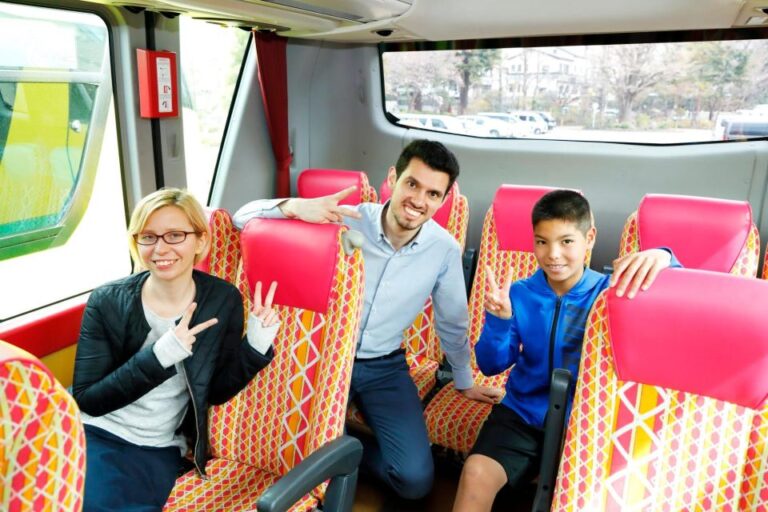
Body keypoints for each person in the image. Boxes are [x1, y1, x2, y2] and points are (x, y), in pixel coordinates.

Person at [233, 139, 503, 500]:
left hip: (384, 366)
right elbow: (241, 219)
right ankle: (328, 446)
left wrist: (463, 380)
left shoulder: (444, 249)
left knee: (414, 481)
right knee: (279, 454)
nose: (419, 200)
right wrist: (297, 207)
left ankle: (346, 451)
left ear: (443, 199)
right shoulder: (342, 219)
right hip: (321, 358)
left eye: (433, 193)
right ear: (393, 178)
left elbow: (452, 322)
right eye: (412, 184)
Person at [452, 189, 680, 512]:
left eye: (566, 242)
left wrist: (665, 257)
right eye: (542, 242)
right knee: (474, 473)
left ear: (590, 238)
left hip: (584, 421)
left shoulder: (610, 293)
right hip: (520, 415)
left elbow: (680, 296)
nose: (553, 254)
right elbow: (490, 364)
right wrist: (499, 321)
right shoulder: (520, 292)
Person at [73, 188, 279, 512]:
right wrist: (159, 356)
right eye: (149, 237)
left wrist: (255, 346)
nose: (160, 249)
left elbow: (216, 390)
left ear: (199, 241)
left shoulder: (222, 301)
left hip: (155, 446)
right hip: (96, 432)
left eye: (174, 235)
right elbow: (88, 400)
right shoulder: (107, 301)